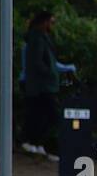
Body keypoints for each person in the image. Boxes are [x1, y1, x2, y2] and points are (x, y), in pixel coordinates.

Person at [20, 10, 75, 161]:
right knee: (52, 115)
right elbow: (37, 62)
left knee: (41, 115)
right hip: (43, 85)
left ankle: (36, 142)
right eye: (51, 22)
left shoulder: (40, 38)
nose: (52, 25)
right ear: (44, 22)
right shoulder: (37, 39)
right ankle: (40, 143)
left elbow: (48, 61)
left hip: (43, 84)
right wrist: (50, 73)